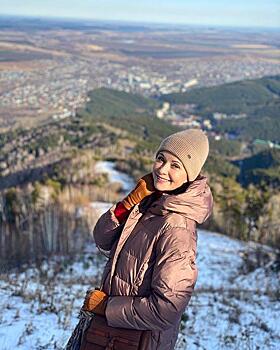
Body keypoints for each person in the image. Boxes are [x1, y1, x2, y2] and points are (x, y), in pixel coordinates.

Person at [81, 129, 213, 350]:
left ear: (190, 174)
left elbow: (167, 309)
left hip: (137, 340)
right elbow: (102, 238)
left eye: (175, 165)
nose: (162, 169)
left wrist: (106, 307)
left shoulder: (176, 227)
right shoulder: (149, 204)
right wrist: (130, 201)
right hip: (113, 336)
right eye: (161, 159)